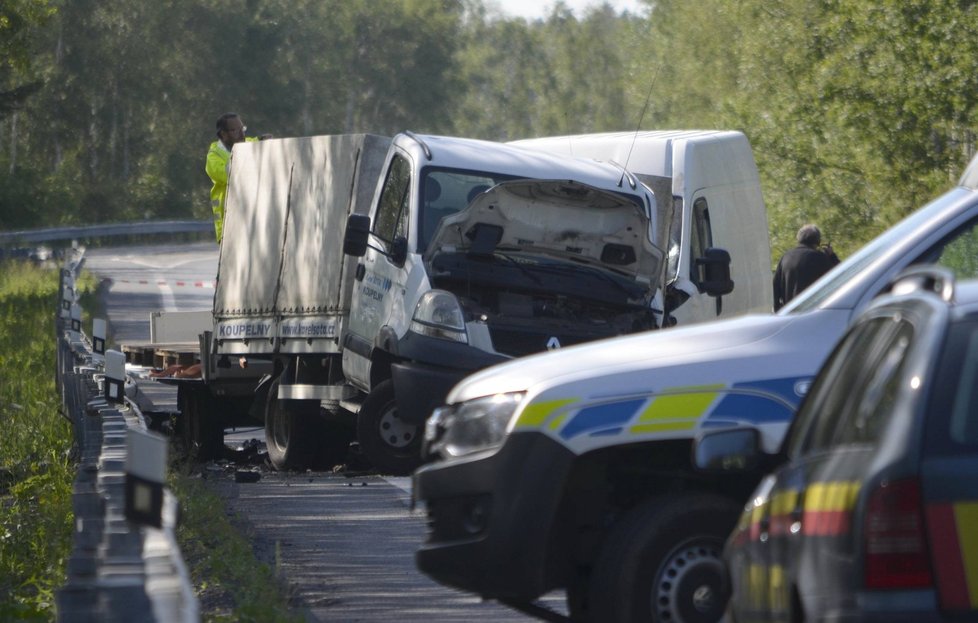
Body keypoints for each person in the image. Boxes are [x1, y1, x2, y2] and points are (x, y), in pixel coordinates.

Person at [205, 113, 269, 243]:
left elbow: (255, 141)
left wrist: (263, 141)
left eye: (242, 129)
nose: (242, 134)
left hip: (250, 222)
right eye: (235, 130)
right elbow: (231, 174)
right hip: (229, 227)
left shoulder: (246, 144)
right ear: (223, 134)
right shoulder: (214, 157)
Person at [773, 223, 840, 310]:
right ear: (818, 241)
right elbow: (842, 275)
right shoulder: (820, 258)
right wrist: (832, 256)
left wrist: (777, 308)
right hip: (812, 314)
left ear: (799, 239)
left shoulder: (786, 257)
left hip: (790, 314)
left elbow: (775, 285)